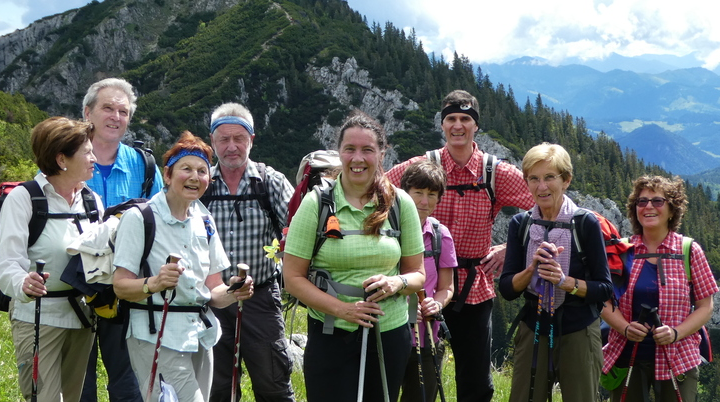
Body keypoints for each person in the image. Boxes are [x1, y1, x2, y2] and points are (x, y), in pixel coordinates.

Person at [385, 89, 535, 402]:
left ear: (476, 125)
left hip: (474, 285)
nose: (458, 125)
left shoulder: (494, 173)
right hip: (423, 283)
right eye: (451, 118)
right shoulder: (422, 166)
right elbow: (376, 192)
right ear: (442, 125)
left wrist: (512, 246)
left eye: (465, 119)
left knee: (476, 382)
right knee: (420, 375)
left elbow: (547, 204)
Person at [284, 110, 426, 402]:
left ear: (381, 154)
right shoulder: (316, 205)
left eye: (367, 150)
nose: (357, 158)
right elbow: (292, 278)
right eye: (349, 149)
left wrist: (396, 283)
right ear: (340, 153)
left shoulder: (401, 204)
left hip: (390, 333)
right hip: (330, 334)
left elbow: (418, 274)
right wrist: (343, 310)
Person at [112, 131, 254, 401]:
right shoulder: (139, 218)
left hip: (200, 335)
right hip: (155, 335)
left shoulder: (205, 219)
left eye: (202, 171)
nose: (194, 177)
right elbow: (120, 286)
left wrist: (234, 290)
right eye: (185, 169)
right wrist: (154, 282)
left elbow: (213, 292)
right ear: (167, 175)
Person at [498, 142, 612, 401]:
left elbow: (604, 288)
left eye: (550, 177)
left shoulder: (585, 223)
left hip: (579, 331)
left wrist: (565, 282)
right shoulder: (521, 223)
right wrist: (531, 270)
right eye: (534, 179)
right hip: (533, 327)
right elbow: (507, 289)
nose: (542, 187)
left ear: (566, 180)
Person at [0, 117, 102, 401]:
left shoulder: (91, 200)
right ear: (61, 159)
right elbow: (6, 262)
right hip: (38, 317)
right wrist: (23, 282)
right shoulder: (24, 198)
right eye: (87, 152)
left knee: (72, 397)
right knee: (43, 397)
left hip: (82, 316)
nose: (95, 157)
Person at [204, 102, 295, 402]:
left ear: (251, 140)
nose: (232, 146)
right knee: (215, 388)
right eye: (224, 139)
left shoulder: (271, 182)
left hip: (261, 298)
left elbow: (297, 232)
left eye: (239, 138)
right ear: (213, 141)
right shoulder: (200, 184)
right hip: (211, 299)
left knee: (273, 384)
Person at [80, 77, 164, 402]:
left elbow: (160, 223)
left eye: (123, 111)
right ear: (88, 112)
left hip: (126, 289)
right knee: (77, 383)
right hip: (74, 288)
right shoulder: (63, 158)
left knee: (129, 384)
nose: (115, 116)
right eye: (107, 108)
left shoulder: (143, 166)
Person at [601, 175, 718, 402]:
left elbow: (706, 307)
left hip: (679, 357)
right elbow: (604, 302)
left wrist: (675, 333)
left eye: (657, 201)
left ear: (672, 209)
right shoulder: (622, 251)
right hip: (626, 355)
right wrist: (625, 328)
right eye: (642, 202)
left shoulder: (689, 251)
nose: (648, 207)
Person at [399, 159, 457, 402]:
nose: (424, 201)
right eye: (418, 193)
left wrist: (437, 304)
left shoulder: (439, 236)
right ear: (404, 194)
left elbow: (447, 288)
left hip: (427, 337)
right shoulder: (387, 231)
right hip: (392, 333)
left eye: (432, 194)